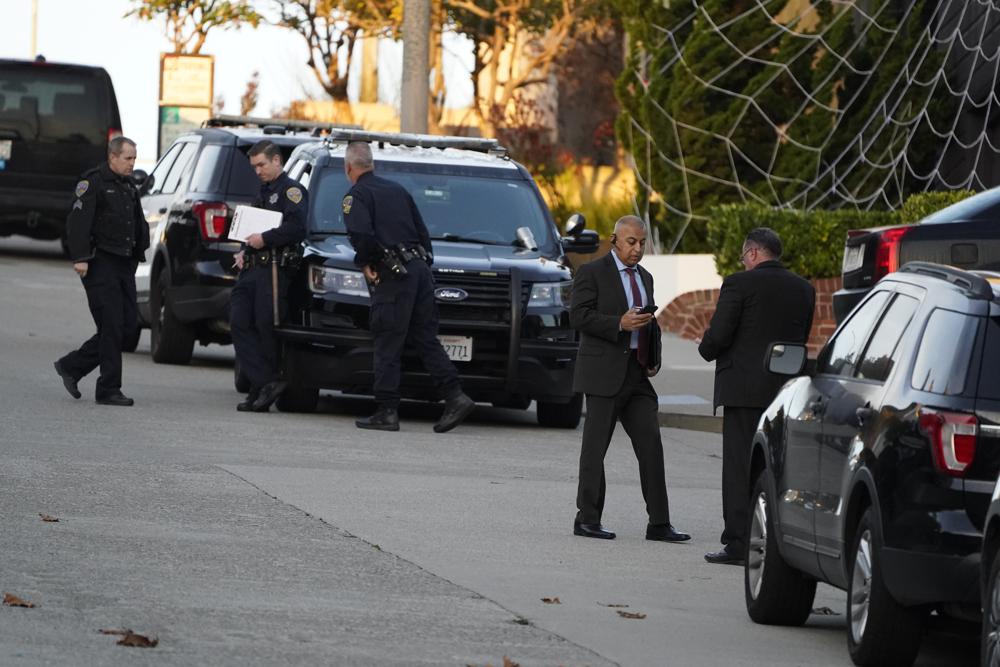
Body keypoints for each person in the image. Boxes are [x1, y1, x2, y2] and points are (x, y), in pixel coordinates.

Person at [698, 228, 815, 565]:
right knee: (777, 468)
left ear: (751, 253)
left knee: (738, 468)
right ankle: (775, 540)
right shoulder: (804, 289)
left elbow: (719, 335)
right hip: (785, 392)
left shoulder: (739, 284)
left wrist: (706, 348)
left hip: (743, 391)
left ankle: (738, 543)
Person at [570, 215, 690, 543]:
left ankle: (660, 524)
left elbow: (651, 321)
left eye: (641, 242)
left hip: (637, 376)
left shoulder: (646, 277)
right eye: (630, 242)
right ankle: (587, 519)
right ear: (615, 241)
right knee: (595, 451)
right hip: (603, 374)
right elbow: (578, 316)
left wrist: (654, 359)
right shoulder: (592, 273)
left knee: (651, 447)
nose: (637, 249)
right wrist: (617, 324)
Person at [341, 141, 474, 433]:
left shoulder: (357, 195)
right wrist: (423, 266)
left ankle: (387, 410)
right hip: (419, 270)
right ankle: (455, 396)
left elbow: (361, 235)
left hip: (393, 276)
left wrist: (367, 262)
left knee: (388, 340)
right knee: (425, 337)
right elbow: (423, 233)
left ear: (348, 167)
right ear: (372, 163)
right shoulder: (397, 190)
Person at [54, 136, 149, 406]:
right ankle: (108, 388)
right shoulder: (93, 182)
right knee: (111, 325)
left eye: (134, 158)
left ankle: (72, 366)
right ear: (112, 158)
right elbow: (78, 221)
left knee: (128, 326)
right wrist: (81, 257)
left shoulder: (128, 185)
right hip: (99, 262)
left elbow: (136, 221)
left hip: (123, 263)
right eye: (128, 158)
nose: (132, 163)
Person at [229, 140, 307, 412]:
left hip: (273, 269)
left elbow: (297, 228)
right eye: (254, 167)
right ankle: (267, 382)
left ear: (277, 161)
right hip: (251, 268)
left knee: (265, 330)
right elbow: (251, 227)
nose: (258, 171)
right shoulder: (263, 191)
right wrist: (243, 249)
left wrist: (265, 238)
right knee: (238, 323)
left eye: (262, 165)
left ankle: (258, 392)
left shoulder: (292, 191)